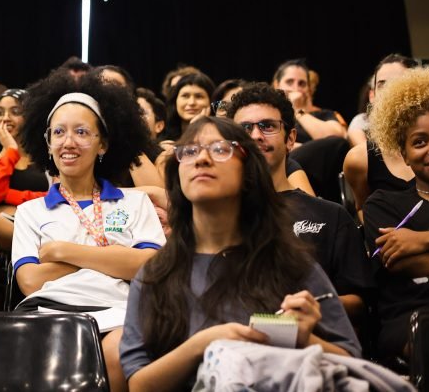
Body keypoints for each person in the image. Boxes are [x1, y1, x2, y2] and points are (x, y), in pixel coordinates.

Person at [119, 117, 360, 391]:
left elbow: (351, 360)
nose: (202, 159)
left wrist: (304, 338)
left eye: (220, 149)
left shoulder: (289, 263)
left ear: (247, 173)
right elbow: (139, 384)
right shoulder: (157, 273)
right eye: (189, 151)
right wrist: (205, 343)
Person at [10, 70, 166, 392]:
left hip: (121, 314)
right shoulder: (30, 211)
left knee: (121, 349)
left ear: (103, 144)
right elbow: (29, 281)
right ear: (48, 143)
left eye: (82, 132)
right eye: (59, 133)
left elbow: (150, 267)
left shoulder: (135, 202)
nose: (69, 142)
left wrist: (61, 252)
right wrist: (116, 259)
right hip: (47, 313)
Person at [229, 84, 372, 322]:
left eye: (267, 126)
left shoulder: (330, 215)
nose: (255, 135)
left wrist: (312, 308)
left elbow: (361, 300)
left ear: (290, 138)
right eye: (245, 128)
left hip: (315, 343)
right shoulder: (219, 216)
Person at [363, 66, 429, 366]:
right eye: (420, 141)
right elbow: (404, 262)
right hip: (416, 318)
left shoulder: (410, 228)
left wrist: (422, 238)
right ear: (403, 152)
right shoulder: (384, 205)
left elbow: (418, 253)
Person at [344, 54, 418, 217]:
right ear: (372, 95)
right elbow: (363, 209)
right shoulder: (360, 158)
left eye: (399, 83)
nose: (390, 91)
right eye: (382, 85)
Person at [0, 89, 49, 214]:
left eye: (15, 112)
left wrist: (7, 195)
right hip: (2, 230)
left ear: (29, 117)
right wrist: (11, 150)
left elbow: (58, 198)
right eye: (0, 113)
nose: (5, 118)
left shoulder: (47, 161)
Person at [273, 59, 346, 142]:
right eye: (289, 82)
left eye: (302, 84)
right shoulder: (268, 114)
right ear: (277, 85)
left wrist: (297, 110)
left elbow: (337, 140)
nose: (296, 88)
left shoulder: (324, 115)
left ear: (308, 89)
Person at [160, 72, 215, 143]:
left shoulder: (220, 134)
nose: (191, 102)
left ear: (211, 101)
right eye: (185, 96)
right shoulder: (161, 133)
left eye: (199, 96)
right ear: (175, 100)